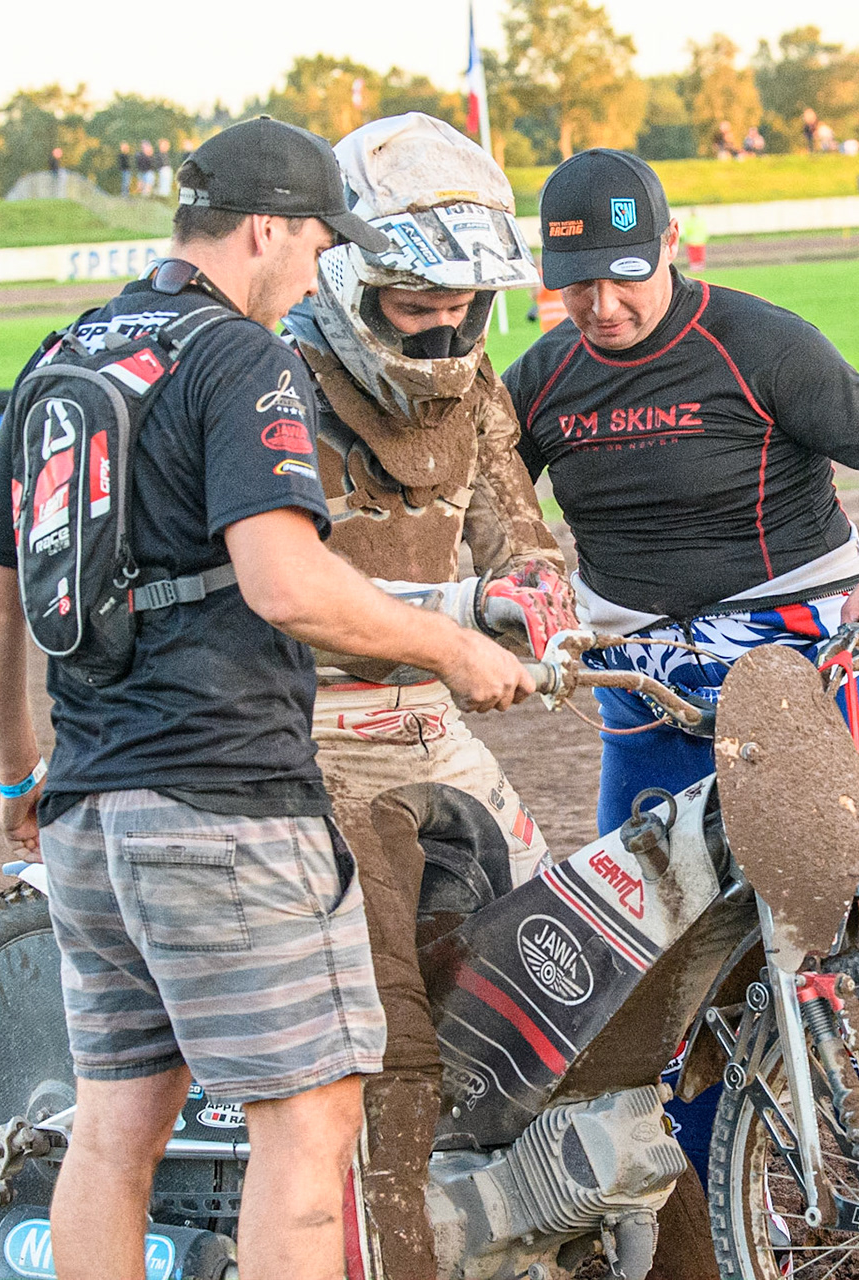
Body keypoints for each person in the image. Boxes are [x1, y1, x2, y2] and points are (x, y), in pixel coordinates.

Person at [0, 117, 533, 1280]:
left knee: (115, 1131)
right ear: (268, 226)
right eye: (321, 237)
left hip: (88, 814)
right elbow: (286, 580)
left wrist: (22, 775)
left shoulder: (65, 355)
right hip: (227, 801)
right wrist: (453, 647)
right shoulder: (243, 357)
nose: (324, 263)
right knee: (308, 1130)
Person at [501, 145, 859, 1178]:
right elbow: (485, 507)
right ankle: (713, 1198)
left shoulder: (757, 343)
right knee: (655, 943)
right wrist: (514, 585)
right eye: (575, 281)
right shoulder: (541, 379)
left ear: (670, 245)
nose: (602, 302)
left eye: (625, 272)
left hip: (796, 650)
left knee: (846, 917)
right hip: (642, 674)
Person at [279, 112, 574, 1277]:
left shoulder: (477, 390)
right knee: (389, 1027)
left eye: (463, 301)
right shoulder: (276, 384)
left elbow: (521, 535)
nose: (448, 324)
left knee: (556, 969)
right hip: (301, 728)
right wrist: (458, 628)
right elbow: (287, 590)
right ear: (353, 278)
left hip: (429, 721)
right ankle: (380, 1241)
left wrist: (536, 597)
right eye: (417, 304)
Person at [680, 206, 710, 270]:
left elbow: (686, 231)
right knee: (697, 254)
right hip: (696, 240)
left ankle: (697, 266)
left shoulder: (691, 221)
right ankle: (698, 266)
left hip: (694, 240)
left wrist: (685, 239)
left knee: (696, 254)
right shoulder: (697, 221)